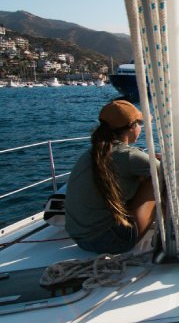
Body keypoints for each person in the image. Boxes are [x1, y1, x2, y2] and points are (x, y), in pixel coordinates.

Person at [65, 100, 158, 254]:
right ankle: (175, 230)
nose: (140, 127)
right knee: (156, 178)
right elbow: (166, 172)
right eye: (139, 123)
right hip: (112, 242)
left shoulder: (92, 153)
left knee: (143, 175)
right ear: (132, 127)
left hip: (80, 239)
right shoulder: (127, 156)